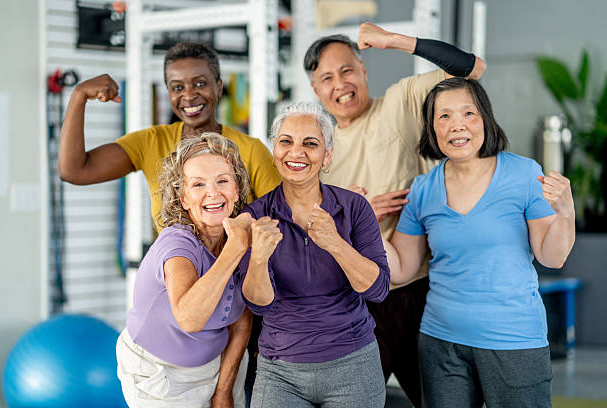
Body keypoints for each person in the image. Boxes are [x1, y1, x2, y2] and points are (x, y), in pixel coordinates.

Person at [303, 22, 486, 406]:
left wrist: (392, 41)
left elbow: (471, 69)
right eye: (327, 78)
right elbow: (311, 238)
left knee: (443, 400)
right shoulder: (316, 153)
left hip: (423, 291)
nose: (340, 84)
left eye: (347, 70)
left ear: (364, 70)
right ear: (316, 90)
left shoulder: (400, 103)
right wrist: (357, 215)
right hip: (359, 301)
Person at [386, 77, 575, 407]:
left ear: (486, 119)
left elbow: (552, 256)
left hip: (514, 342)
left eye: (468, 113)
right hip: (441, 344)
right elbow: (400, 269)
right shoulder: (422, 189)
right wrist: (362, 227)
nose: (457, 125)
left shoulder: (523, 174)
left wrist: (566, 212)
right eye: (444, 116)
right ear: (432, 128)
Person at [239, 102, 390, 408]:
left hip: (353, 364)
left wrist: (335, 242)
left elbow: (378, 289)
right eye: (286, 142)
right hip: (279, 370)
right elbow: (258, 303)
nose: (297, 152)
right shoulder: (255, 216)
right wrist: (258, 258)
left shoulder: (354, 208)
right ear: (274, 150)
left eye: (310, 144)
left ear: (327, 155)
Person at [58, 41, 280, 230]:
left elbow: (278, 224)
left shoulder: (251, 150)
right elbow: (74, 171)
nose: (189, 95)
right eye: (177, 87)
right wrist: (79, 96)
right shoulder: (150, 142)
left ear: (219, 87)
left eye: (200, 84)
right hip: (174, 276)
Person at [116, 133, 254, 407]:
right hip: (159, 375)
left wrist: (224, 390)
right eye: (198, 184)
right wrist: (235, 250)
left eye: (222, 181)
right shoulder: (177, 245)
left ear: (237, 191)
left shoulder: (238, 236)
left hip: (217, 366)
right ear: (184, 199)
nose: (213, 193)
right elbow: (190, 319)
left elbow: (241, 322)